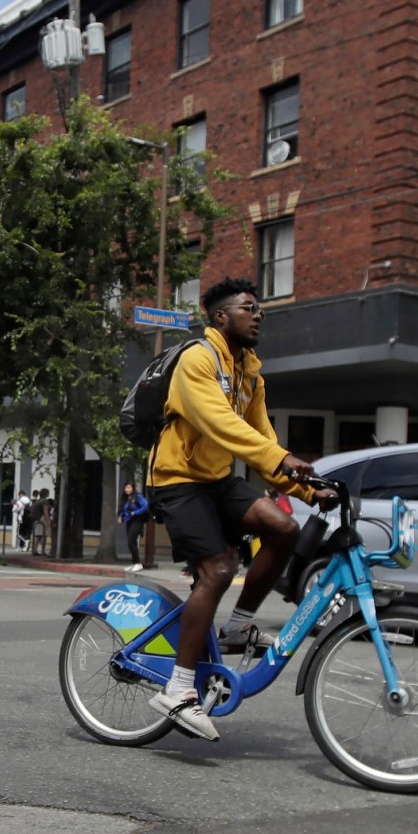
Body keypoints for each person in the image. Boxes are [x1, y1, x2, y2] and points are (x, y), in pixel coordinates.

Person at [145, 278, 327, 741]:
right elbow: (220, 424)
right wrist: (278, 459)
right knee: (220, 568)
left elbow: (263, 440)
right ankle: (179, 689)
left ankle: (238, 627)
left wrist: (310, 490)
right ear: (221, 317)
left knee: (282, 527)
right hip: (178, 480)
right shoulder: (197, 360)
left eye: (260, 307)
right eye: (249, 308)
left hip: (217, 480)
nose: (259, 314)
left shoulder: (249, 373)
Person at [117, 481, 150, 563]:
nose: (127, 489)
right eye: (126, 488)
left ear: (133, 488)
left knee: (130, 542)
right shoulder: (125, 499)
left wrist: (135, 512)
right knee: (132, 543)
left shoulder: (137, 497)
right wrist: (121, 516)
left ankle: (137, 563)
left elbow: (146, 506)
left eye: (129, 487)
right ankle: (134, 563)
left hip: (137, 521)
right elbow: (123, 509)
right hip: (129, 522)